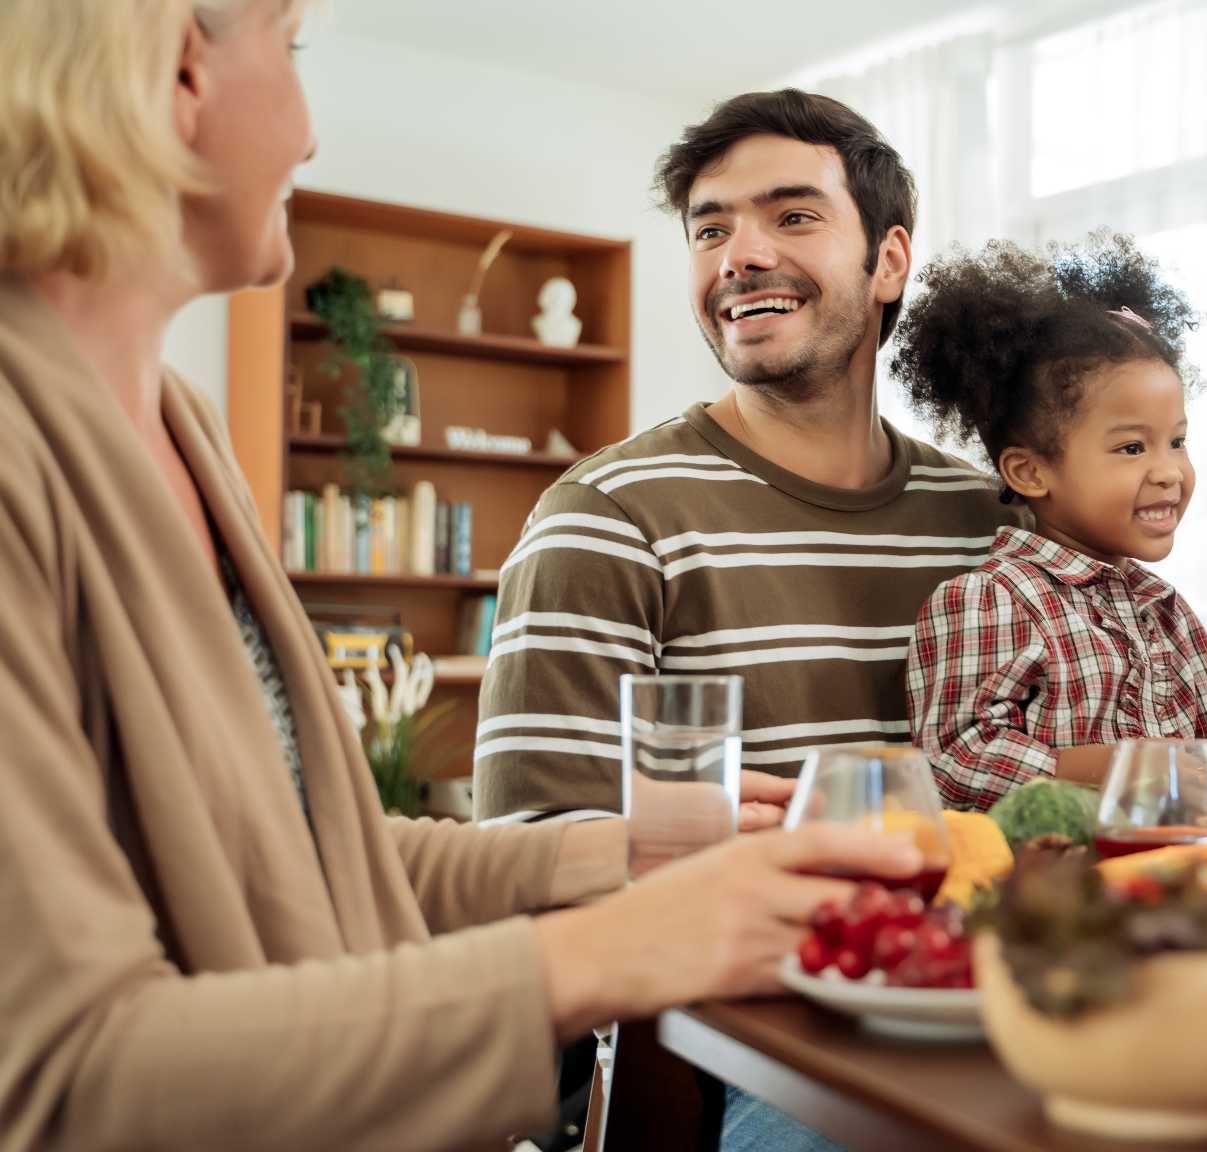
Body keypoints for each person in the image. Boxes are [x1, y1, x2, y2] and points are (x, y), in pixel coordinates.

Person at [0, 5, 921, 1149]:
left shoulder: (177, 432)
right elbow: (62, 1084)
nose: (311, 137)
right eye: (288, 53)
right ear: (183, 70)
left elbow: (313, 847)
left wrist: (638, 856)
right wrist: (624, 942)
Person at [474, 89, 1020, 821]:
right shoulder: (607, 520)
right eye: (710, 231)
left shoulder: (994, 526)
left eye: (793, 217)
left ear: (888, 262)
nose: (740, 257)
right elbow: (526, 855)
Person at [897, 233, 1207, 812]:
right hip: (1050, 887)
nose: (1170, 471)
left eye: (1177, 441)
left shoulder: (1166, 610)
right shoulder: (990, 600)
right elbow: (956, 758)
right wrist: (1130, 769)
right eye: (1131, 449)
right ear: (1031, 470)